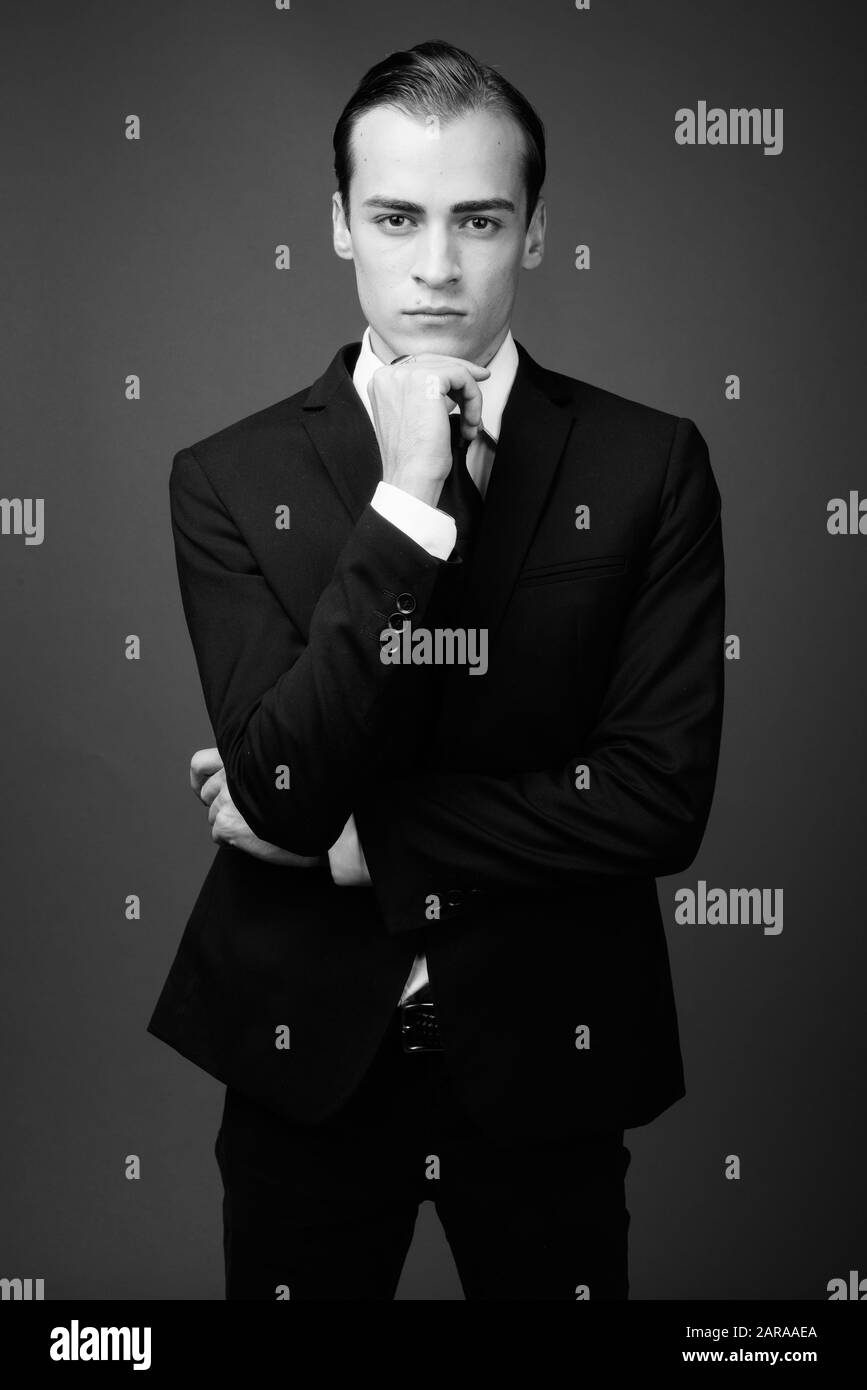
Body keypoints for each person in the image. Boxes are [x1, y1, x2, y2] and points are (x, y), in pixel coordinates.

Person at [147, 38, 725, 1301]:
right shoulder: (225, 479)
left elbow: (657, 798)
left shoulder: (651, 465)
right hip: (305, 1061)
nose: (438, 267)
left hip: (549, 1065)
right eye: (398, 217)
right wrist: (409, 495)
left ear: (532, 232)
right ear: (341, 226)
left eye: (479, 219)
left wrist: (373, 842)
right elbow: (283, 780)